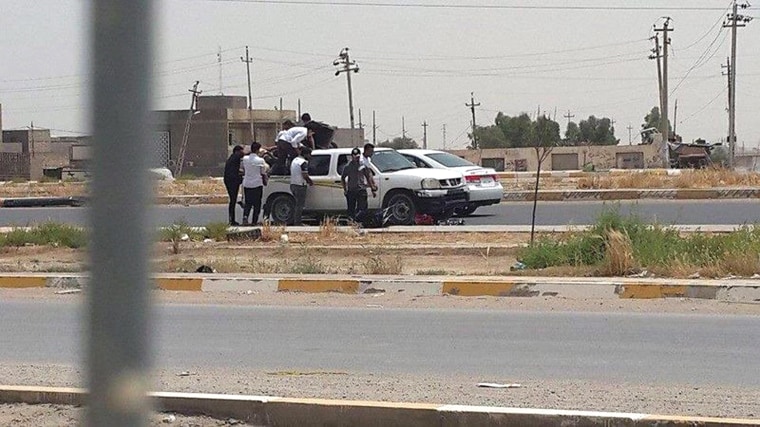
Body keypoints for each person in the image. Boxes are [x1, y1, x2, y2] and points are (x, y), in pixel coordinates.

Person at [241, 142, 268, 225]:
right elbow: (263, 173)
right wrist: (265, 182)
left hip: (247, 183)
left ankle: (245, 216)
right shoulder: (260, 160)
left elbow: (242, 169)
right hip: (257, 184)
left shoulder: (245, 159)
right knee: (257, 204)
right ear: (257, 150)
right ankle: (254, 221)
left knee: (248, 203)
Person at [341, 147, 369, 222]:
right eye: (355, 156)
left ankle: (360, 222)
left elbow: (367, 175)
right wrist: (345, 189)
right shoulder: (348, 166)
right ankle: (352, 222)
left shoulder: (362, 165)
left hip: (361, 189)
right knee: (351, 208)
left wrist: (370, 185)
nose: (357, 158)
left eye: (358, 156)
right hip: (351, 190)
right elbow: (343, 177)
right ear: (352, 156)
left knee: (362, 208)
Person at [289, 145, 313, 225]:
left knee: (297, 204)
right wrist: (310, 181)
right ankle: (297, 222)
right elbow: (305, 175)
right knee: (300, 205)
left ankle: (296, 220)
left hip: (293, 184)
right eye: (309, 154)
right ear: (306, 154)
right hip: (300, 185)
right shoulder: (303, 162)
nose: (310, 156)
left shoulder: (295, 160)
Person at [223, 145, 245, 225]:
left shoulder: (233, 158)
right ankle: (231, 220)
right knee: (233, 200)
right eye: (241, 151)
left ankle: (232, 219)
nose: (243, 152)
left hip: (230, 180)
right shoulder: (236, 156)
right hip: (232, 181)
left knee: (233, 200)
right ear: (237, 151)